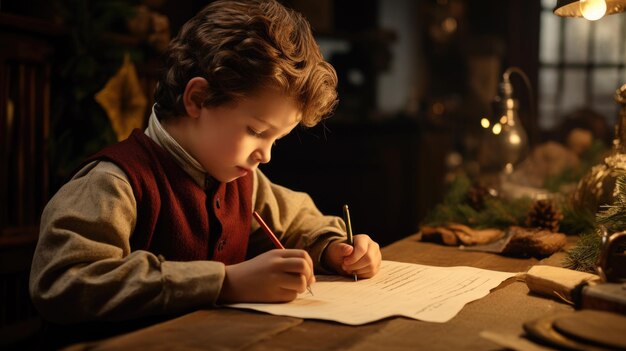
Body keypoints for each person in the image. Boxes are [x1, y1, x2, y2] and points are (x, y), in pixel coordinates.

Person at [29, 0, 382, 329]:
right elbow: (65, 281)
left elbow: (299, 221)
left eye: (276, 139)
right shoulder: (114, 182)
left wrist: (335, 248)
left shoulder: (242, 180)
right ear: (198, 98)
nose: (266, 155)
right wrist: (224, 282)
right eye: (257, 131)